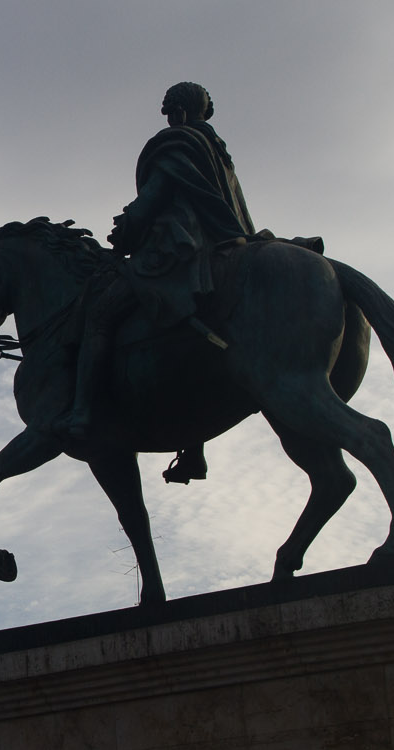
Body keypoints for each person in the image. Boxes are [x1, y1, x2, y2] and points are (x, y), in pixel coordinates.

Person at [60, 83, 256, 483]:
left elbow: (154, 198)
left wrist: (127, 227)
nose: (169, 119)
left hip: (180, 249)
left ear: (180, 112)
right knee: (190, 340)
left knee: (99, 314)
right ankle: (192, 446)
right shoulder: (216, 148)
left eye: (170, 111)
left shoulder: (175, 143)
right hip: (223, 244)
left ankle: (81, 410)